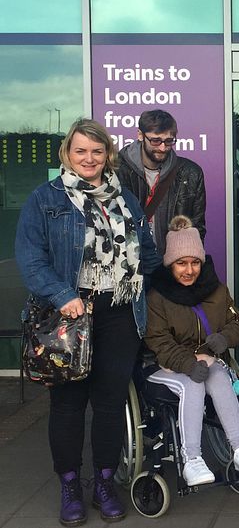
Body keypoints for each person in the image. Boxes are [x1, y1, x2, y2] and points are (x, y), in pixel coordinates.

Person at [15, 118, 161, 525]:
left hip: (118, 311)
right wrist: (64, 296)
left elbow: (147, 251)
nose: (89, 158)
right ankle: (68, 485)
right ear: (67, 153)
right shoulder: (45, 199)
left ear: (107, 154)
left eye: (97, 151)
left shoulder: (125, 198)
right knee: (67, 405)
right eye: (81, 150)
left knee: (111, 404)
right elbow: (30, 259)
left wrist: (138, 286)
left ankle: (103, 481)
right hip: (68, 315)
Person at [143, 215, 239, 487]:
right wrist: (187, 362)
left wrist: (224, 338)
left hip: (208, 362)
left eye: (195, 262)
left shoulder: (216, 291)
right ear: (170, 263)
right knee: (193, 384)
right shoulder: (157, 297)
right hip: (164, 367)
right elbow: (158, 341)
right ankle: (192, 459)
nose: (189, 270)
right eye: (181, 263)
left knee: (219, 377)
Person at [118, 109, 206, 252]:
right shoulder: (116, 169)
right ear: (140, 135)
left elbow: (196, 230)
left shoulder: (191, 173)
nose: (163, 147)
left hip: (169, 265)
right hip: (129, 264)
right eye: (155, 140)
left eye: (169, 141)